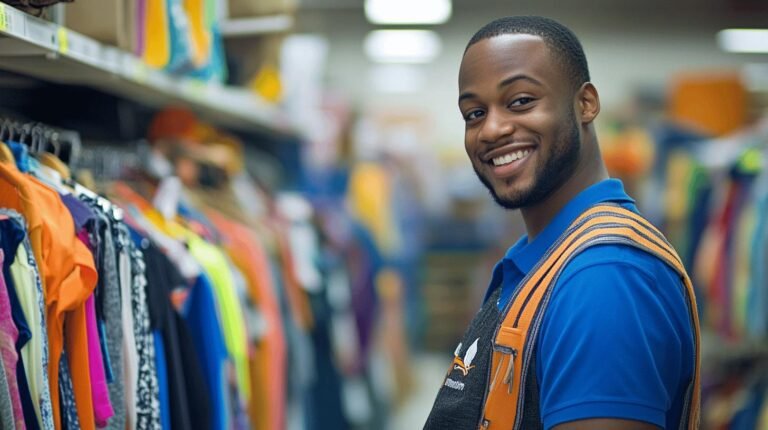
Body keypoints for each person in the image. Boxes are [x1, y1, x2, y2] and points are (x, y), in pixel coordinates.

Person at [424, 16, 700, 430]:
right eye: (474, 113)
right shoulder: (548, 258)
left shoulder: (604, 276)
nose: (492, 129)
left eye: (520, 101)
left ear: (585, 103)